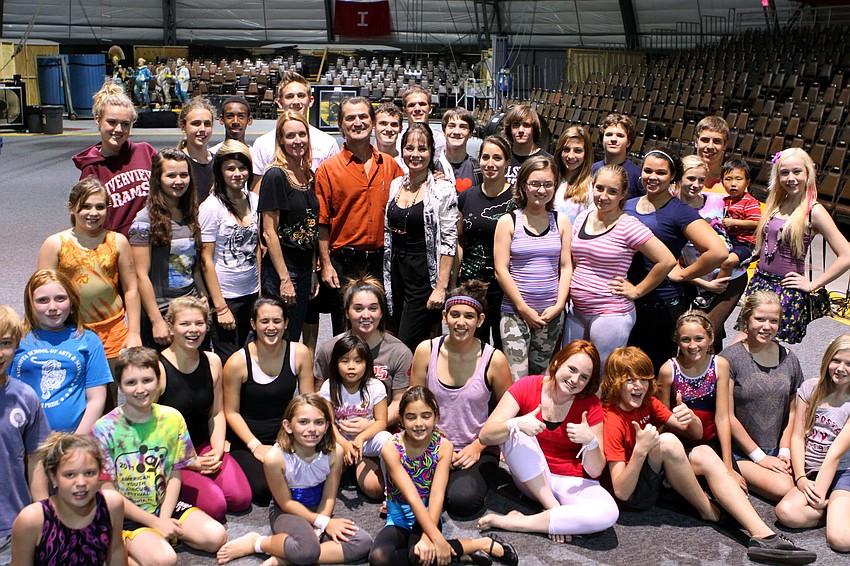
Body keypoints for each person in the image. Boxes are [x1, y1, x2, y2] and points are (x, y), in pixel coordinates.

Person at [601, 346, 816, 565]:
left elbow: (696, 435)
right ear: (614, 383)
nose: (639, 386)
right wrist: (640, 450)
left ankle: (762, 534)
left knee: (704, 451)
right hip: (635, 496)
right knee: (667, 441)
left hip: (653, 474)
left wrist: (691, 418)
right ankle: (710, 511)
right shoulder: (611, 420)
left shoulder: (648, 403)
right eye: (630, 380)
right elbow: (622, 492)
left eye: (643, 379)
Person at [92, 347, 227, 564]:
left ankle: (151, 543)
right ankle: (119, 546)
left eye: (147, 380)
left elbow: (175, 472)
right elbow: (108, 492)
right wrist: (154, 524)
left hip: (163, 505)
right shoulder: (104, 428)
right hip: (126, 515)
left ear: (158, 380)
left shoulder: (172, 418)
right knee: (166, 560)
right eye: (131, 383)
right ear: (120, 386)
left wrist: (163, 518)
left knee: (216, 536)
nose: (140, 389)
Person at [477, 340, 619, 541]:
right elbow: (486, 435)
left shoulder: (591, 404)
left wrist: (591, 442)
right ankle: (553, 509)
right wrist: (516, 423)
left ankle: (519, 522)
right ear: (557, 363)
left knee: (609, 514)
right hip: (532, 477)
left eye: (584, 377)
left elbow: (595, 471)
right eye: (572, 369)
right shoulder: (527, 385)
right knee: (515, 430)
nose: (575, 380)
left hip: (573, 481)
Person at [368, 386, 519, 566]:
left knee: (418, 557)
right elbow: (412, 497)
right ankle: (464, 550)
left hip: (429, 514)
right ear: (401, 419)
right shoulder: (391, 448)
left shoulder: (444, 447)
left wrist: (428, 536)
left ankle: (482, 543)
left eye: (426, 416)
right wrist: (438, 540)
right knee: (378, 558)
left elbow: (437, 494)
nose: (418, 423)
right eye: (411, 417)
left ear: (436, 417)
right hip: (398, 518)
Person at [217, 394, 373, 565]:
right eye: (303, 422)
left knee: (363, 542)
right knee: (307, 549)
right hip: (287, 512)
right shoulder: (275, 458)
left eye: (319, 422)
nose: (312, 429)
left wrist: (320, 524)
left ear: (327, 426)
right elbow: (286, 502)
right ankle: (257, 543)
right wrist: (323, 522)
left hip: (319, 509)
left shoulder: (335, 452)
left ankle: (286, 559)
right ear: (288, 426)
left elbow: (329, 496)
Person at [37, 176, 141, 410]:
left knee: (109, 398)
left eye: (99, 207)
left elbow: (131, 289)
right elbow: (41, 294)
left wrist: (134, 332)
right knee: (71, 393)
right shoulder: (55, 244)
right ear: (72, 208)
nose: (93, 213)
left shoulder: (118, 241)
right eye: (85, 206)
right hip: (71, 330)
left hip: (112, 331)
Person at [409, 282, 512, 517]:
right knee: (405, 493)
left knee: (462, 502)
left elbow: (507, 411)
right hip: (430, 442)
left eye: (469, 316)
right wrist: (433, 440)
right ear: (444, 317)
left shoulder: (494, 359)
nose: (461, 322)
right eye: (454, 315)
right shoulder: (426, 350)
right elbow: (414, 404)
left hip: (475, 447)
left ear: (480, 320)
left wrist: (479, 446)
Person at [624, 148, 727, 373]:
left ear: (673, 176)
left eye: (661, 172)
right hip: (626, 302)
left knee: (654, 372)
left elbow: (718, 251)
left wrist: (683, 274)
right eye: (648, 171)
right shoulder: (628, 205)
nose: (653, 177)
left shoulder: (679, 210)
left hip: (661, 305)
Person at [565, 164, 676, 369]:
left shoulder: (628, 226)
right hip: (577, 311)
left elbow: (667, 260)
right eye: (599, 188)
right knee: (571, 369)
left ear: (623, 194)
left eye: (612, 191)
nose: (603, 196)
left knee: (602, 375)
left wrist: (637, 290)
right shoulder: (583, 217)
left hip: (610, 313)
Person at [737, 148, 850, 344]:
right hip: (760, 283)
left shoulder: (814, 211)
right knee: (750, 345)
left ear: (808, 173)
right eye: (784, 173)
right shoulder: (776, 203)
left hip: (785, 290)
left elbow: (846, 255)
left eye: (797, 171)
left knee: (762, 347)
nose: (791, 178)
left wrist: (813, 284)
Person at [316, 96, 404, 335]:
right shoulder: (328, 170)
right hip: (344, 263)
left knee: (381, 329)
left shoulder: (390, 166)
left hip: (381, 261)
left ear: (372, 122)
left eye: (363, 116)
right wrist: (326, 265)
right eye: (350, 118)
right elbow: (322, 223)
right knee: (345, 332)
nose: (358, 123)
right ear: (340, 126)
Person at [157, 298, 252, 520]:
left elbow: (216, 412)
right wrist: (189, 462)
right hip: (171, 457)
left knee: (241, 499)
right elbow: (150, 430)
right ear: (171, 327)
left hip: (203, 446)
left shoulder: (212, 361)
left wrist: (217, 449)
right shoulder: (158, 369)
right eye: (184, 324)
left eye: (199, 323)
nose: (193, 330)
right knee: (216, 506)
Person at [222, 297, 314, 506]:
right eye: (264, 321)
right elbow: (231, 412)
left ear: (286, 323)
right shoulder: (237, 362)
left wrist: (301, 439)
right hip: (248, 440)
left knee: (314, 474)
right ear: (253, 324)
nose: (271, 327)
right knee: (264, 491)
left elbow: (307, 403)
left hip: (287, 435)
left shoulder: (299, 353)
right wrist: (255, 446)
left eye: (277, 321)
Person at [494, 156, 571, 381]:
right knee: (518, 378)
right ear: (523, 186)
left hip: (550, 314)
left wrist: (559, 305)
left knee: (541, 377)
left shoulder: (561, 221)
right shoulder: (508, 221)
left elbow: (566, 266)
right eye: (535, 184)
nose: (541, 190)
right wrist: (523, 308)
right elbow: (501, 270)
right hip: (516, 313)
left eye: (548, 184)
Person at [721, 291, 802, 502]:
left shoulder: (790, 359)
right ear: (746, 319)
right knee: (785, 487)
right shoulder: (729, 359)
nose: (767, 326)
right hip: (741, 451)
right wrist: (760, 457)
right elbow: (726, 416)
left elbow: (793, 413)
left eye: (773, 321)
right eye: (760, 319)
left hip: (779, 446)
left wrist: (785, 451)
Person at [384, 123, 459, 350]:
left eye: (422, 149)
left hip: (423, 273)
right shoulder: (396, 184)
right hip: (395, 270)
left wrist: (441, 287)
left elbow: (449, 242)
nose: (415, 154)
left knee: (406, 342)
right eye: (409, 148)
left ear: (432, 152)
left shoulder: (443, 189)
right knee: (393, 335)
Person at [11, 270, 111, 433]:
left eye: (60, 298)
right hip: (21, 436)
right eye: (43, 300)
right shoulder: (16, 339)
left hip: (71, 438)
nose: (52, 307)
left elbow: (96, 399)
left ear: (71, 302)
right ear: (30, 305)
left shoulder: (89, 340)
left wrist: (76, 441)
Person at [775, 334, 850, 552]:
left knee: (840, 540)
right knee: (786, 513)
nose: (841, 368)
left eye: (848, 364)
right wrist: (800, 479)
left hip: (843, 473)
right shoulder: (810, 388)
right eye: (836, 361)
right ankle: (832, 511)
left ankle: (835, 508)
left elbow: (835, 453)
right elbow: (798, 436)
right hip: (812, 472)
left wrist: (819, 494)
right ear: (827, 359)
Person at [129, 149, 206, 349]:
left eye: (183, 175)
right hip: (162, 313)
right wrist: (157, 321)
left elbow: (193, 265)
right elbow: (140, 275)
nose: (178, 181)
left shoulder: (190, 213)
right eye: (171, 175)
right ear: (158, 179)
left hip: (190, 308)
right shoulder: (144, 220)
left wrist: (203, 296)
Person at [10, 433, 125, 566]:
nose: (81, 483)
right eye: (70, 475)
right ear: (53, 477)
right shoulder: (32, 519)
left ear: (100, 473)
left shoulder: (111, 505)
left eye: (89, 473)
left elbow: (116, 551)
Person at [314, 276, 412, 428]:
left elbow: (399, 402)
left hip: (382, 428)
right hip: (336, 427)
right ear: (347, 313)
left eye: (373, 308)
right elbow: (319, 395)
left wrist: (373, 424)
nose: (366, 315)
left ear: (381, 312)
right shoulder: (329, 349)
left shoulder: (399, 353)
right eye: (358, 309)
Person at [657, 311, 737, 487]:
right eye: (686, 340)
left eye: (699, 339)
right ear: (678, 341)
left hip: (711, 442)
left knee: (734, 487)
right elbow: (662, 418)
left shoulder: (720, 365)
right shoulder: (668, 370)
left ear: (711, 338)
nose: (692, 346)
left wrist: (728, 466)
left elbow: (722, 417)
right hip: (680, 446)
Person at [259, 111, 319, 342]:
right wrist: (285, 279)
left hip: (304, 269)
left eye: (302, 134)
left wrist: (312, 271)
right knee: (279, 338)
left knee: (293, 336)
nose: (297, 141)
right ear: (280, 139)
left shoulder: (308, 175)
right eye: (290, 135)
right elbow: (269, 232)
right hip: (283, 270)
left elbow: (311, 227)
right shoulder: (275, 175)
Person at [199, 139, 260, 361]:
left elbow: (257, 249)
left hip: (251, 293)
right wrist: (220, 307)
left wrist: (260, 290)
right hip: (226, 297)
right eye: (230, 168)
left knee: (250, 358)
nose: (237, 174)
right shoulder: (211, 207)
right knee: (228, 361)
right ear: (220, 171)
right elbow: (205, 259)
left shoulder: (254, 200)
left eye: (242, 168)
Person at [0, 305, 51, 565]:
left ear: (17, 346)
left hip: (13, 525)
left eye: (5, 343)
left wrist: (44, 514)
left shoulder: (26, 397)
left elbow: (36, 460)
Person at [676, 155, 743, 351]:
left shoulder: (717, 200)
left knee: (705, 334)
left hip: (730, 277)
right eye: (691, 178)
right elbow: (673, 261)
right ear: (679, 177)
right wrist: (704, 284)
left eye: (701, 180)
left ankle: (714, 370)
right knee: (707, 334)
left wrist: (740, 254)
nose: (696, 185)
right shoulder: (673, 207)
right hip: (698, 281)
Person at [73, 80, 157, 236]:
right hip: (114, 245)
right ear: (98, 120)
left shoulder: (146, 152)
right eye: (112, 122)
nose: (118, 129)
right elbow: (84, 219)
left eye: (125, 124)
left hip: (153, 241)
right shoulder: (91, 168)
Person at [456, 135, 515, 350]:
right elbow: (460, 240)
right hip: (472, 286)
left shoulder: (517, 198)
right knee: (473, 346)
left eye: (497, 158)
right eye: (485, 157)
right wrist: (454, 282)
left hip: (505, 288)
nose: (490, 164)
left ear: (507, 162)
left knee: (503, 346)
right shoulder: (467, 196)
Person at [320, 334, 391, 500]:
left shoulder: (375, 386)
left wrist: (361, 438)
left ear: (367, 363)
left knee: (387, 440)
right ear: (336, 363)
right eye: (345, 361)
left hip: (365, 440)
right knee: (326, 458)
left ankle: (391, 493)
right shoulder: (329, 386)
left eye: (358, 361)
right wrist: (344, 444)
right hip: (338, 440)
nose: (351, 367)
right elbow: (328, 424)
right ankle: (342, 469)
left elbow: (381, 422)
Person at [252, 71, 340, 187]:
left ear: (311, 101)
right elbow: (257, 188)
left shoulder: (328, 143)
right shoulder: (262, 144)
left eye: (301, 96)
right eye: (289, 96)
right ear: (279, 102)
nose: (296, 102)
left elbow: (334, 185)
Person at [718, 159, 761, 283]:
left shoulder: (749, 201)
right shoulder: (725, 201)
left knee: (728, 262)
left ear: (747, 183)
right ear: (722, 183)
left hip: (745, 244)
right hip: (729, 240)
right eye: (728, 179)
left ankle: (717, 287)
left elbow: (757, 223)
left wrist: (734, 222)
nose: (733, 184)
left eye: (738, 179)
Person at [591, 113, 643, 198]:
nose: (613, 139)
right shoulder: (591, 169)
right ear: (602, 140)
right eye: (609, 135)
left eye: (620, 136)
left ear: (628, 142)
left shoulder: (637, 175)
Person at [552, 125, 594, 224]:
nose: (571, 156)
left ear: (586, 154)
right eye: (566, 150)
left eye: (577, 151)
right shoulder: (549, 181)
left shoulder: (592, 187)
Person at [177, 96, 217, 201]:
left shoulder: (218, 163)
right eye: (196, 124)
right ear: (183, 126)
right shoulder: (176, 163)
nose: (202, 129)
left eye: (207, 124)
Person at [502, 105, 552, 186]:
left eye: (526, 125)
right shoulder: (502, 158)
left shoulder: (548, 160)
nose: (521, 130)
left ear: (534, 129)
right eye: (516, 125)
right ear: (510, 130)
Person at [442, 107, 481, 192]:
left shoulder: (478, 169)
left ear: (470, 133)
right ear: (444, 131)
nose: (457, 132)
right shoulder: (433, 166)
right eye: (452, 126)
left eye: (463, 127)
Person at [693, 116, 730, 190]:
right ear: (696, 142)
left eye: (717, 141)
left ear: (725, 145)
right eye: (705, 140)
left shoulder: (732, 183)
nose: (710, 146)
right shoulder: (680, 177)